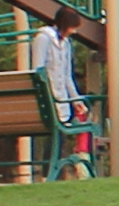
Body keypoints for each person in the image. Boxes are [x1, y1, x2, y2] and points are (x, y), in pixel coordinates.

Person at [23, 16, 85, 177]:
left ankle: (54, 173)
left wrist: (75, 99)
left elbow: (66, 76)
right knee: (55, 135)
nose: (74, 31)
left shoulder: (66, 44)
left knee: (60, 136)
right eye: (72, 27)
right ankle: (48, 173)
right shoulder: (43, 38)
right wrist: (47, 94)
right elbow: (38, 69)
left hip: (61, 99)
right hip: (49, 97)